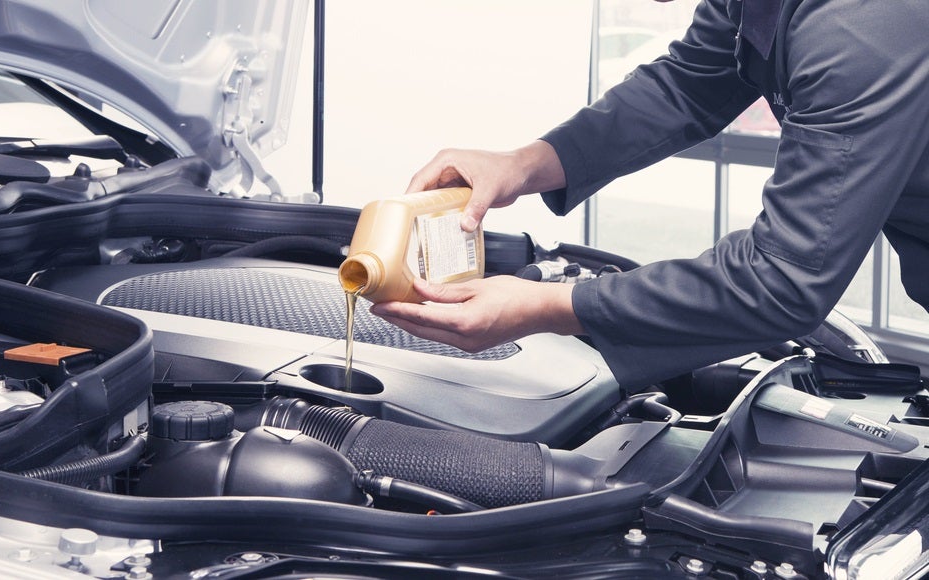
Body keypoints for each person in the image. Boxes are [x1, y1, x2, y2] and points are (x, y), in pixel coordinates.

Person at [369, 0, 929, 389]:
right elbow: (687, 84)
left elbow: (779, 280)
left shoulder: (859, 23)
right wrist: (524, 164)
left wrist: (545, 306)